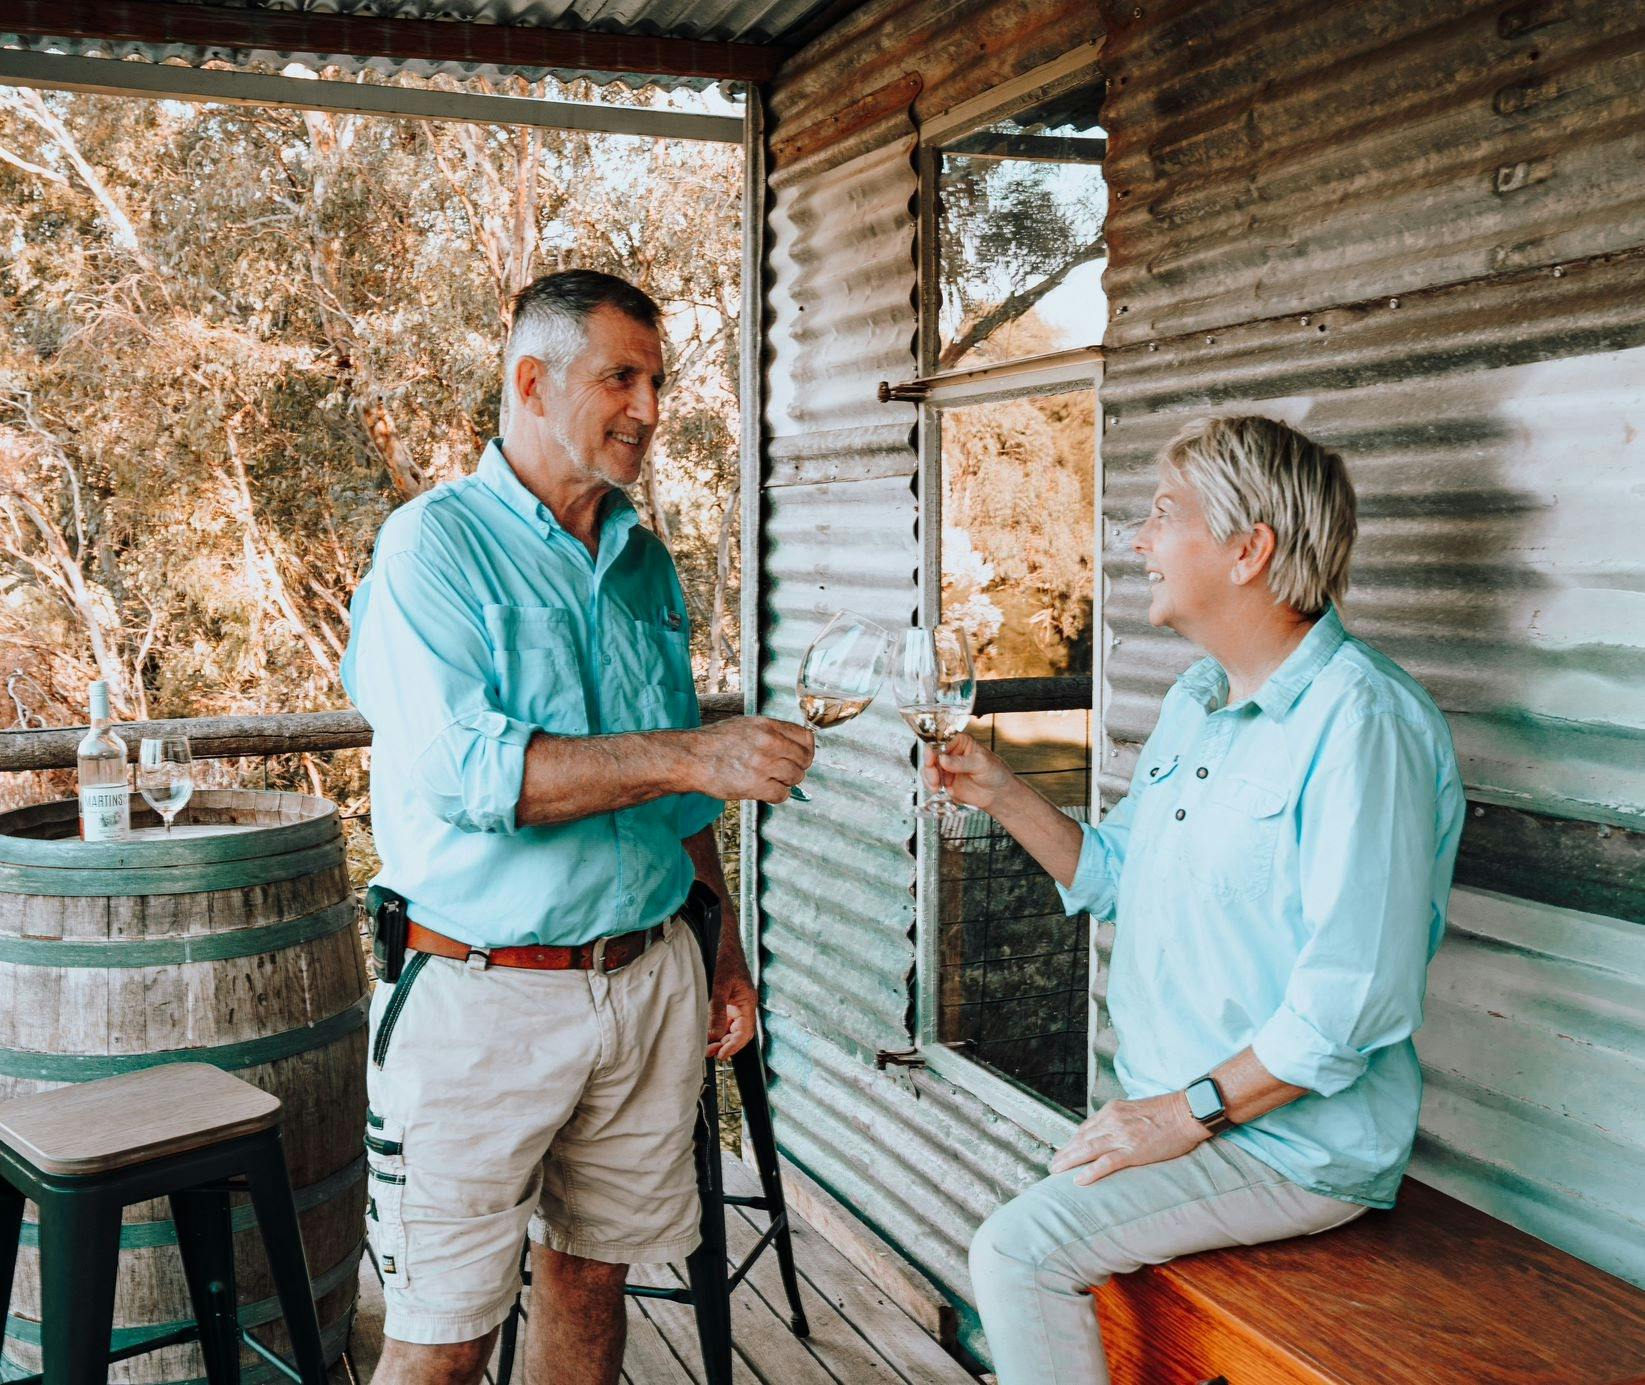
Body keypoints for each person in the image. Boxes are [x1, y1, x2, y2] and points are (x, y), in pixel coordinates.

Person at [341, 269, 814, 1385]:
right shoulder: (432, 547)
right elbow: (469, 773)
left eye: (658, 382)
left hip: (647, 981)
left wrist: (722, 952)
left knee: (594, 1282)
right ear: (530, 381)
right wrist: (694, 752)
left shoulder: (643, 558)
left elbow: (678, 800)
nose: (649, 407)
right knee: (443, 1336)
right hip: (481, 1000)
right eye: (621, 378)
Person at [946, 416, 1465, 1384]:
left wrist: (1184, 1113)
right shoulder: (1199, 699)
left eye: (1161, 513)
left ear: (1247, 549)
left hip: (1289, 1143)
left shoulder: (1362, 722)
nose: (1135, 539)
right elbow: (1115, 875)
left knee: (1019, 1252)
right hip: (1185, 1113)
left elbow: (1352, 1001)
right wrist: (1001, 791)